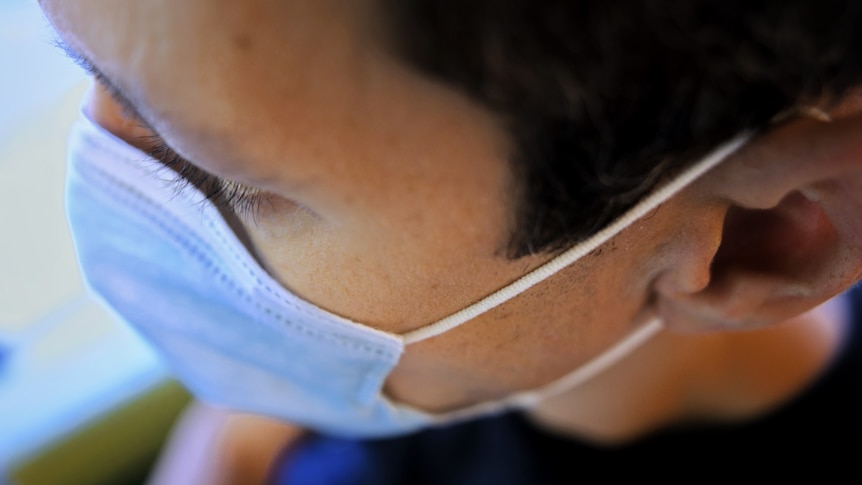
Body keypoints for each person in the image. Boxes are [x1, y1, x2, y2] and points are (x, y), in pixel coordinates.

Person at [38, 0, 862, 482]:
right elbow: (240, 421)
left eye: (214, 173)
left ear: (761, 235)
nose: (108, 166)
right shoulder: (449, 366)